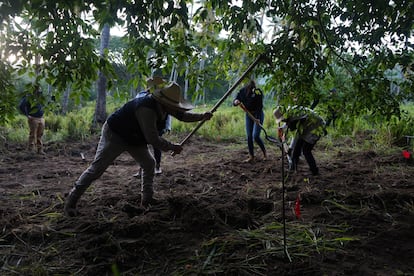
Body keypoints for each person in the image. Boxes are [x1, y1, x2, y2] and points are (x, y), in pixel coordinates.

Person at [64, 82, 213, 216]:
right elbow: (152, 139)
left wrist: (202, 116)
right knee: (97, 169)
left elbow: (182, 116)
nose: (175, 108)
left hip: (136, 137)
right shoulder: (146, 108)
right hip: (116, 134)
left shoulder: (167, 106)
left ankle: (147, 200)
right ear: (163, 100)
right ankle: (71, 201)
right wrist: (172, 147)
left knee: (149, 164)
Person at [134, 76, 172, 176]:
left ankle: (158, 166)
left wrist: (168, 126)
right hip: (143, 125)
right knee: (142, 147)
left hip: (158, 125)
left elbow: (168, 113)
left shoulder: (163, 98)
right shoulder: (140, 96)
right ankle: (141, 168)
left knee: (157, 144)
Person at [274, 105, 325, 176]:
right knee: (297, 149)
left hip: (315, 127)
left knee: (306, 150)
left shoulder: (296, 115)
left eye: (283, 119)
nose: (283, 121)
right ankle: (293, 168)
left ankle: (315, 172)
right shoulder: (291, 113)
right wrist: (282, 128)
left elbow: (296, 133)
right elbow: (289, 122)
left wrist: (290, 147)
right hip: (306, 128)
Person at [233, 80, 267, 163]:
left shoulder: (258, 92)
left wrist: (257, 119)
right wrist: (236, 102)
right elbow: (235, 100)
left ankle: (265, 153)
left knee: (255, 136)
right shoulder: (242, 91)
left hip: (258, 115)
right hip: (248, 115)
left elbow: (260, 107)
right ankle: (251, 156)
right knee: (249, 136)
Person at [19, 86, 45, 154]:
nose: (39, 91)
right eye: (38, 90)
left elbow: (42, 106)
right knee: (33, 135)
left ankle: (40, 150)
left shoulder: (39, 98)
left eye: (39, 90)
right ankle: (30, 150)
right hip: (33, 118)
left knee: (40, 135)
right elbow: (21, 106)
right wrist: (27, 115)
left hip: (41, 118)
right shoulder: (29, 97)